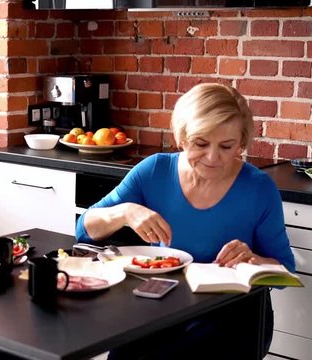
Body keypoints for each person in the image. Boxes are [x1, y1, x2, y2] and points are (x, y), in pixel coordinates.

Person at [75, 83, 295, 359]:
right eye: (201, 144)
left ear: (241, 142)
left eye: (227, 146)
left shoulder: (259, 188)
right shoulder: (154, 170)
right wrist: (125, 211)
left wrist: (253, 259)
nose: (214, 158)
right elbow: (84, 229)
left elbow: (285, 270)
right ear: (182, 138)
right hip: (161, 306)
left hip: (233, 317)